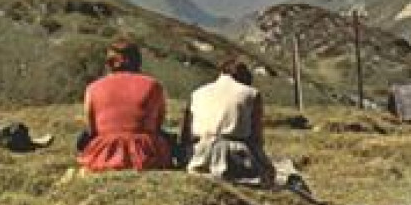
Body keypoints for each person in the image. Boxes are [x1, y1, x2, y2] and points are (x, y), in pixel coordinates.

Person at [78, 40, 174, 172]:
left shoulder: (93, 88)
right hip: (146, 154)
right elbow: (157, 124)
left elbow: (92, 129)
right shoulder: (154, 85)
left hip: (102, 154)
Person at [182, 59, 275, 185]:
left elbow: (186, 133)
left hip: (199, 153)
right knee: (268, 171)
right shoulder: (251, 94)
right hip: (235, 155)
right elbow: (256, 138)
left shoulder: (197, 93)